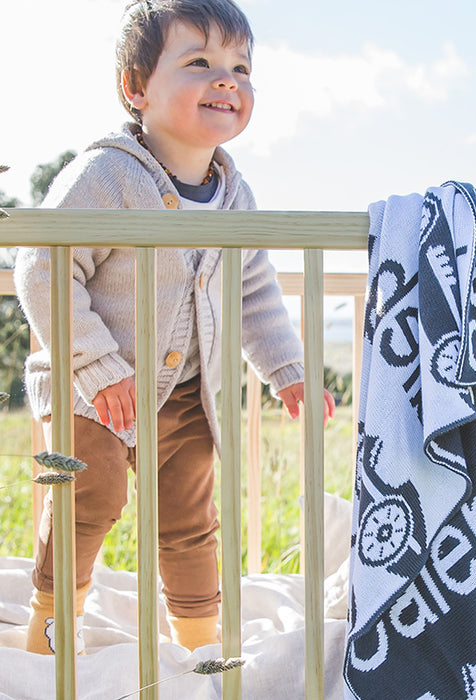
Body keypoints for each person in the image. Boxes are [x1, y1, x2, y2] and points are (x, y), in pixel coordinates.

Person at [15, 0, 335, 655]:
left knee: (191, 519)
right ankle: (49, 631)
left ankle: (198, 643)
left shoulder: (233, 195)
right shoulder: (107, 176)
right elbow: (44, 265)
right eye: (200, 63)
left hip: (185, 395)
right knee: (87, 495)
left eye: (241, 67)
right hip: (92, 386)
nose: (228, 80)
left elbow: (253, 292)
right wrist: (96, 366)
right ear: (137, 89)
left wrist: (287, 371)